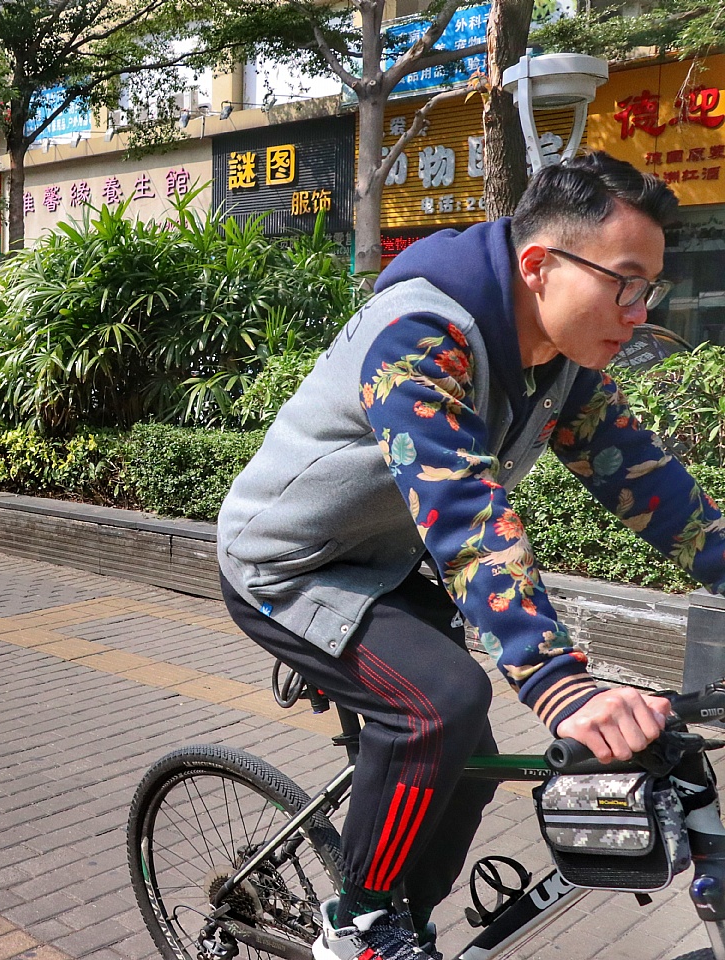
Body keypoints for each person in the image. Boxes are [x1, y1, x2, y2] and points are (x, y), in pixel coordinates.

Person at [217, 152, 721, 960]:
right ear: (540, 265)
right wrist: (561, 685)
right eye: (625, 284)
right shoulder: (418, 334)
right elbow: (465, 514)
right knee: (440, 704)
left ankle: (405, 922)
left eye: (649, 290)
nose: (638, 313)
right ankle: (359, 926)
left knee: (472, 756)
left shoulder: (561, 361)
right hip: (286, 564)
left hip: (381, 562)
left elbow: (648, 484)